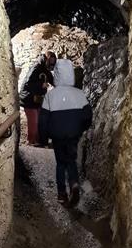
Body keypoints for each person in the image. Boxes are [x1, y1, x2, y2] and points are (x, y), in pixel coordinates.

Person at [38, 59, 92, 206]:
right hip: (73, 134)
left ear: (57, 75)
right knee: (71, 160)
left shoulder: (51, 95)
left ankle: (62, 194)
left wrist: (43, 138)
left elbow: (43, 119)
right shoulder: (79, 94)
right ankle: (74, 183)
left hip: (57, 136)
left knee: (61, 163)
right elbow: (88, 115)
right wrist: (82, 129)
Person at [19, 52, 56, 146]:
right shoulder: (36, 67)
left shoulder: (45, 69)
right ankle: (31, 142)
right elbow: (28, 84)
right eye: (51, 63)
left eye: (53, 64)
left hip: (38, 99)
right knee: (33, 121)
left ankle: (39, 142)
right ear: (47, 60)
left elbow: (53, 80)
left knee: (41, 120)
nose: (52, 66)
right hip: (28, 98)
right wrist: (41, 84)